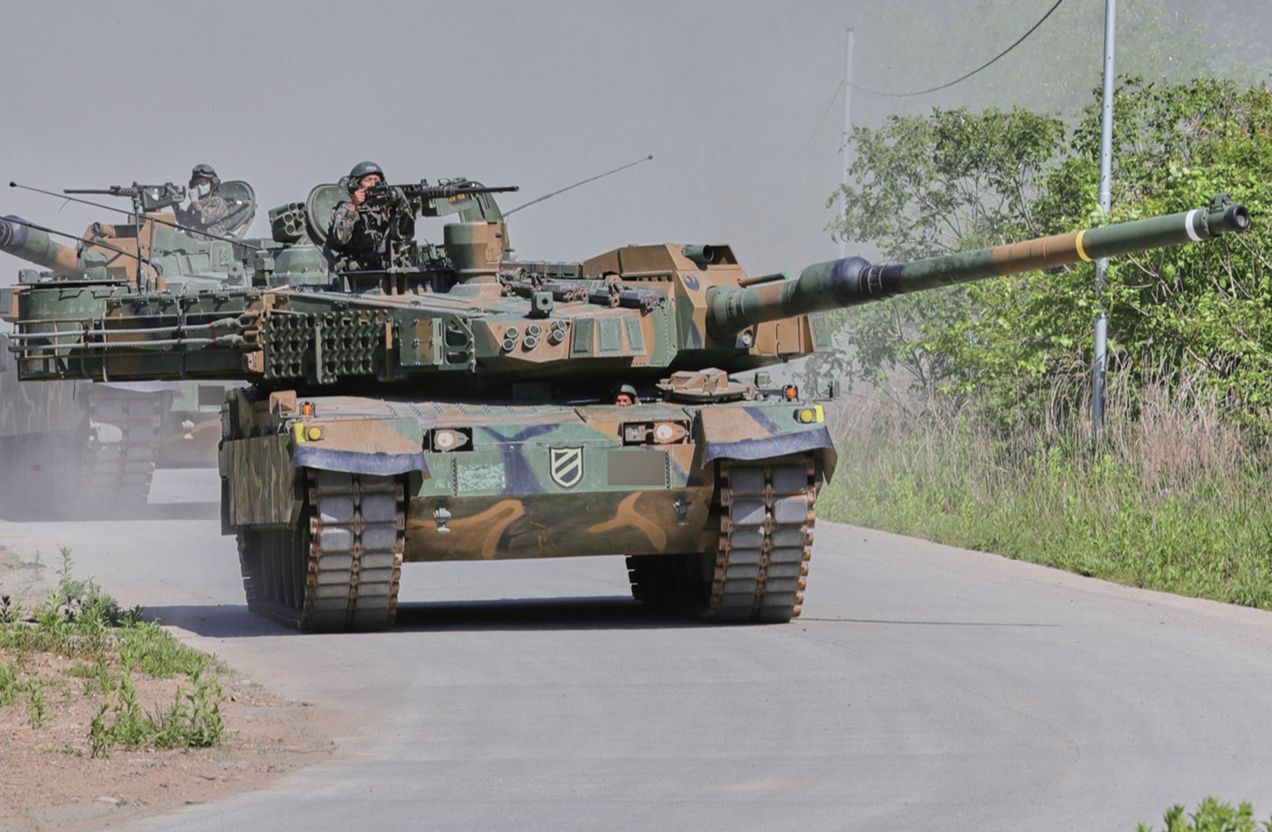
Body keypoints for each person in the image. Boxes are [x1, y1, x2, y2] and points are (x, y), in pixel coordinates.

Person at [328, 161, 415, 270]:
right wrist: (353, 206)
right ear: (357, 185)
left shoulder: (385, 207)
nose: (373, 184)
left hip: (387, 268)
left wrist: (397, 207)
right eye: (368, 180)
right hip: (360, 272)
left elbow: (404, 234)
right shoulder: (347, 207)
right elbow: (341, 238)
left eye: (376, 180)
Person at [175, 163, 235, 237]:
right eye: (196, 182)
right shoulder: (196, 204)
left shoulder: (217, 202)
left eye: (203, 182)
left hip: (211, 241)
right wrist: (175, 204)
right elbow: (185, 221)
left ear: (212, 184)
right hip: (195, 241)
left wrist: (195, 203)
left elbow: (204, 219)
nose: (199, 186)